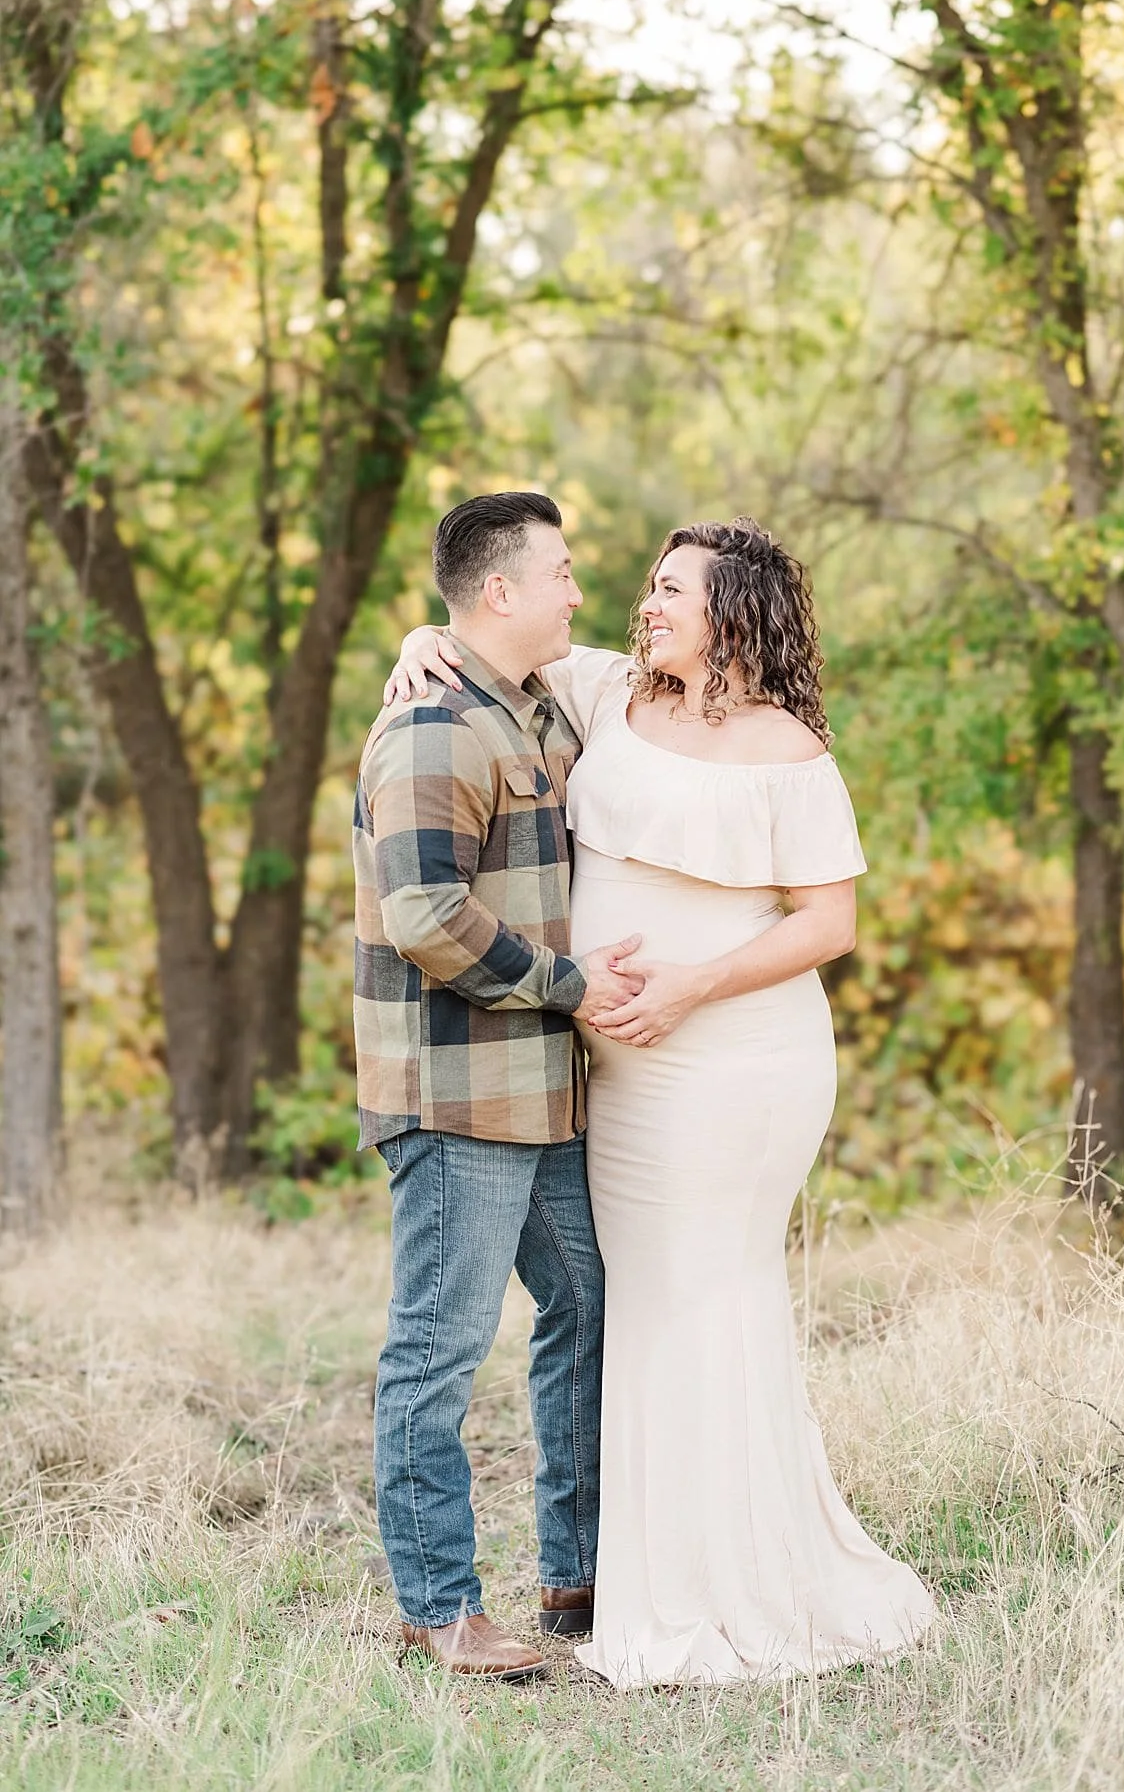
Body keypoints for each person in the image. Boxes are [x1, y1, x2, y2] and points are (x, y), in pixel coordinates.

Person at [383, 516, 935, 1688]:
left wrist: (691, 986)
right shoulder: (601, 692)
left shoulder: (791, 750)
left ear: (734, 609)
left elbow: (829, 922)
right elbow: (487, 638)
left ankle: (724, 1572)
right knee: (624, 1299)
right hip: (607, 1065)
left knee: (701, 1287)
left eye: (672, 590)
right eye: (644, 585)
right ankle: (625, 1567)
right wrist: (422, 632)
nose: (644, 603)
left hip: (735, 1058)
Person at [353, 490, 647, 1681]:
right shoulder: (431, 727)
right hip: (458, 1095)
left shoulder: (539, 710)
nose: (580, 590)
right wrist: (570, 985)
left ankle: (576, 1571)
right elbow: (424, 913)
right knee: (438, 1347)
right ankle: (439, 1608)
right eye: (564, 572)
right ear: (499, 593)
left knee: (586, 1307)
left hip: (544, 1095)